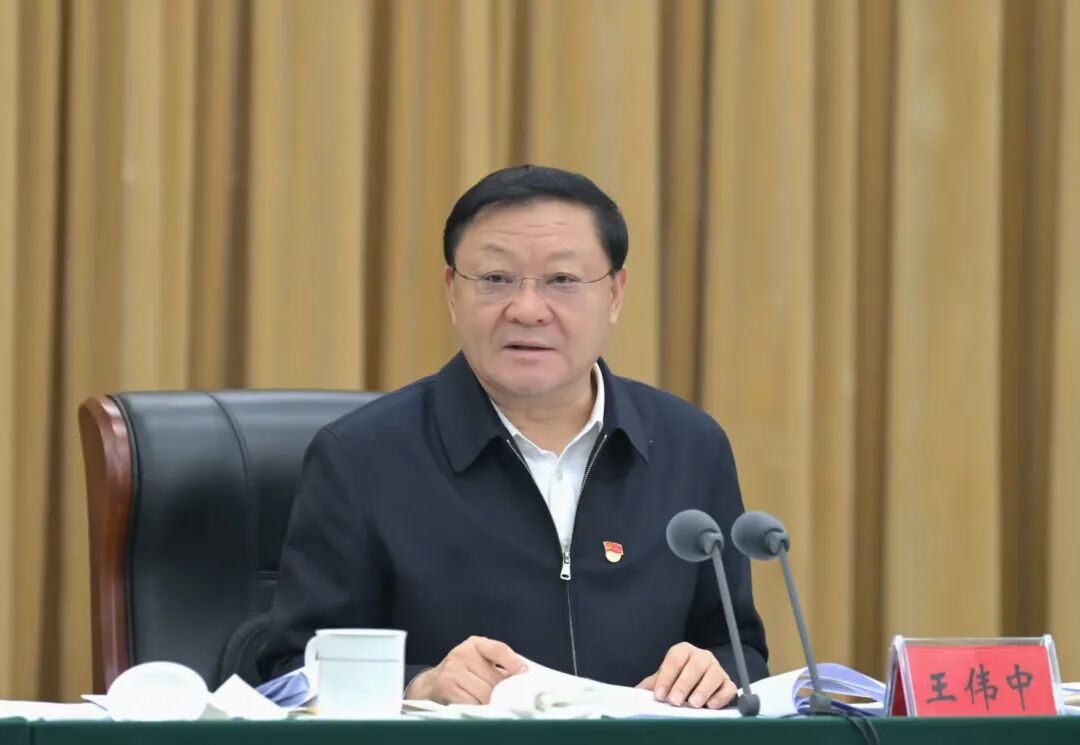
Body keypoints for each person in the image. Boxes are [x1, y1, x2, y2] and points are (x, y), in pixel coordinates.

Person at [258, 165, 768, 710]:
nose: (526, 310)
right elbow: (291, 672)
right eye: (496, 279)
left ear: (615, 294)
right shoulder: (361, 457)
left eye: (562, 280)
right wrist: (418, 686)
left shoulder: (691, 447)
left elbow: (740, 650)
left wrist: (715, 671)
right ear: (453, 292)